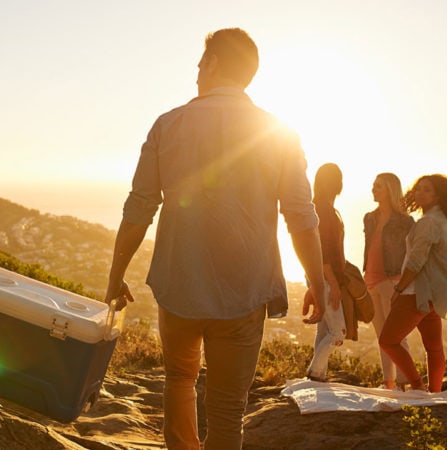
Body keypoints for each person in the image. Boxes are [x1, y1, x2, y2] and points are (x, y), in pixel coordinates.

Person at [103, 28, 326, 450]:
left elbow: (139, 209)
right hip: (243, 291)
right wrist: (317, 282)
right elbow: (300, 215)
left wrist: (116, 274)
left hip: (178, 284)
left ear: (213, 63)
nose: (197, 70)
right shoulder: (279, 133)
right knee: (227, 410)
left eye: (200, 62)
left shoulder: (168, 125)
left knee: (179, 381)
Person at [379, 174, 447, 393]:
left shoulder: (428, 223)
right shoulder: (444, 222)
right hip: (432, 296)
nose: (419, 193)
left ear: (438, 196)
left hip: (415, 293)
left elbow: (415, 262)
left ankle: (418, 388)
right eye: (418, 188)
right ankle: (435, 392)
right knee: (434, 347)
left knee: (388, 341)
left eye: (427, 190)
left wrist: (399, 289)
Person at [362, 173, 414, 390]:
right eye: (373, 185)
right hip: (370, 280)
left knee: (396, 335)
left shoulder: (405, 221)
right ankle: (389, 382)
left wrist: (403, 283)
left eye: (379, 186)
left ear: (390, 191)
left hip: (392, 281)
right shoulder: (369, 217)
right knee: (382, 337)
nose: (374, 189)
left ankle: (406, 381)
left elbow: (411, 254)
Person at [305, 163, 349, 382]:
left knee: (324, 329)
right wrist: (332, 282)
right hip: (325, 276)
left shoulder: (323, 208)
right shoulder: (323, 209)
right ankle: (315, 372)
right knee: (338, 332)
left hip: (322, 274)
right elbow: (322, 249)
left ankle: (319, 373)